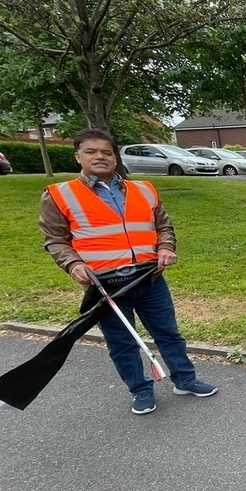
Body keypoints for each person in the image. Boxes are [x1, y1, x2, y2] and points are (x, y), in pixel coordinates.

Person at [39, 129, 217, 415]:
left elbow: (163, 227)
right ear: (78, 156)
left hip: (150, 277)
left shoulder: (144, 189)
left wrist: (165, 247)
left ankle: (185, 379)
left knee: (169, 333)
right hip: (106, 285)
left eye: (106, 152)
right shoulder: (60, 194)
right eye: (91, 151)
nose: (100, 157)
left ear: (115, 156)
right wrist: (73, 265)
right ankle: (141, 390)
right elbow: (55, 239)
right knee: (122, 342)